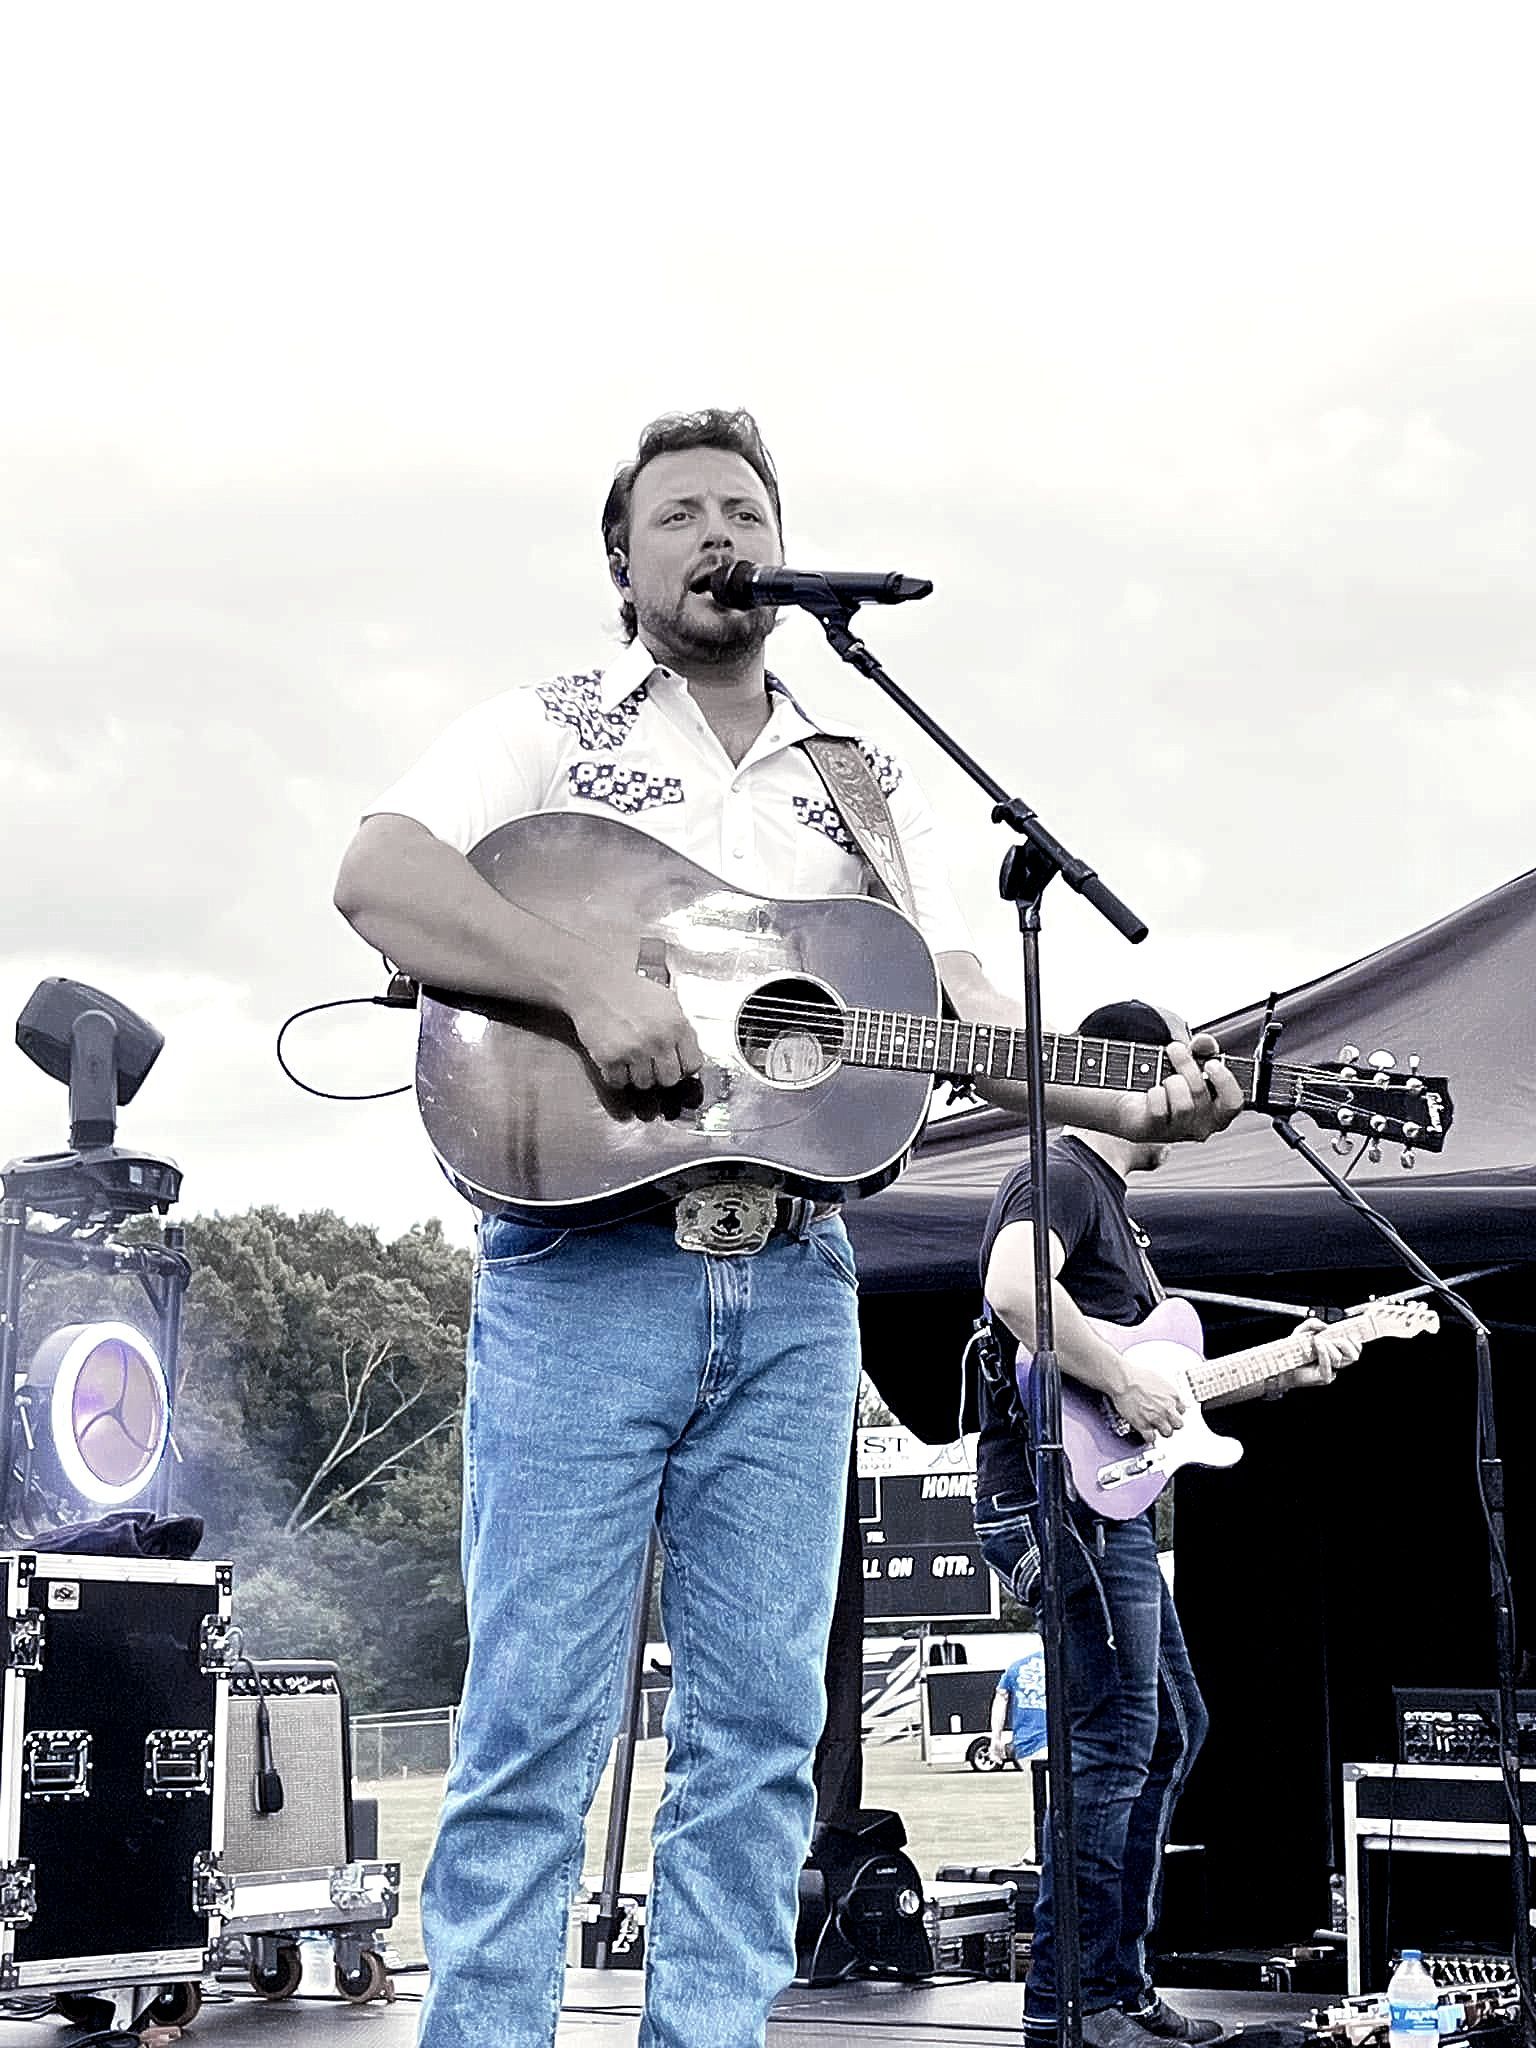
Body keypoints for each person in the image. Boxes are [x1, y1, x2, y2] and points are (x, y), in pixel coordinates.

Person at [333, 412, 1242, 2048]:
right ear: (623, 562)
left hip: (797, 1284)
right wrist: (590, 982)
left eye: (746, 509)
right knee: (537, 1726)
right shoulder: (549, 725)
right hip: (582, 1275)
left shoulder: (859, 780)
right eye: (680, 511)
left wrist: (1125, 1098)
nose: (720, 532)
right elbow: (380, 874)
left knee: (758, 1735)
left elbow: (955, 1012)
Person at [973, 998, 1362, 2048]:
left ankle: (1116, 1982)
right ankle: (1075, 2004)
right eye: (1183, 1065)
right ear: (1131, 1070)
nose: (1199, 1088)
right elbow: (1015, 1291)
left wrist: (1285, 1368)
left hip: (1105, 1502)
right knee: (1113, 1743)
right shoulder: (1061, 1172)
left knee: (1169, 1732)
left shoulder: (1108, 1206)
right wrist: (1119, 1381)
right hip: (1058, 1503)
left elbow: (1159, 1389)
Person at [990, 1639, 1049, 1767]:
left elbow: (1001, 1698)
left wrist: (996, 1738)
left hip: (1027, 1745)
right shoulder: (1068, 1664)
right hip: (1066, 1742)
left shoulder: (1016, 1667)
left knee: (1037, 1778)